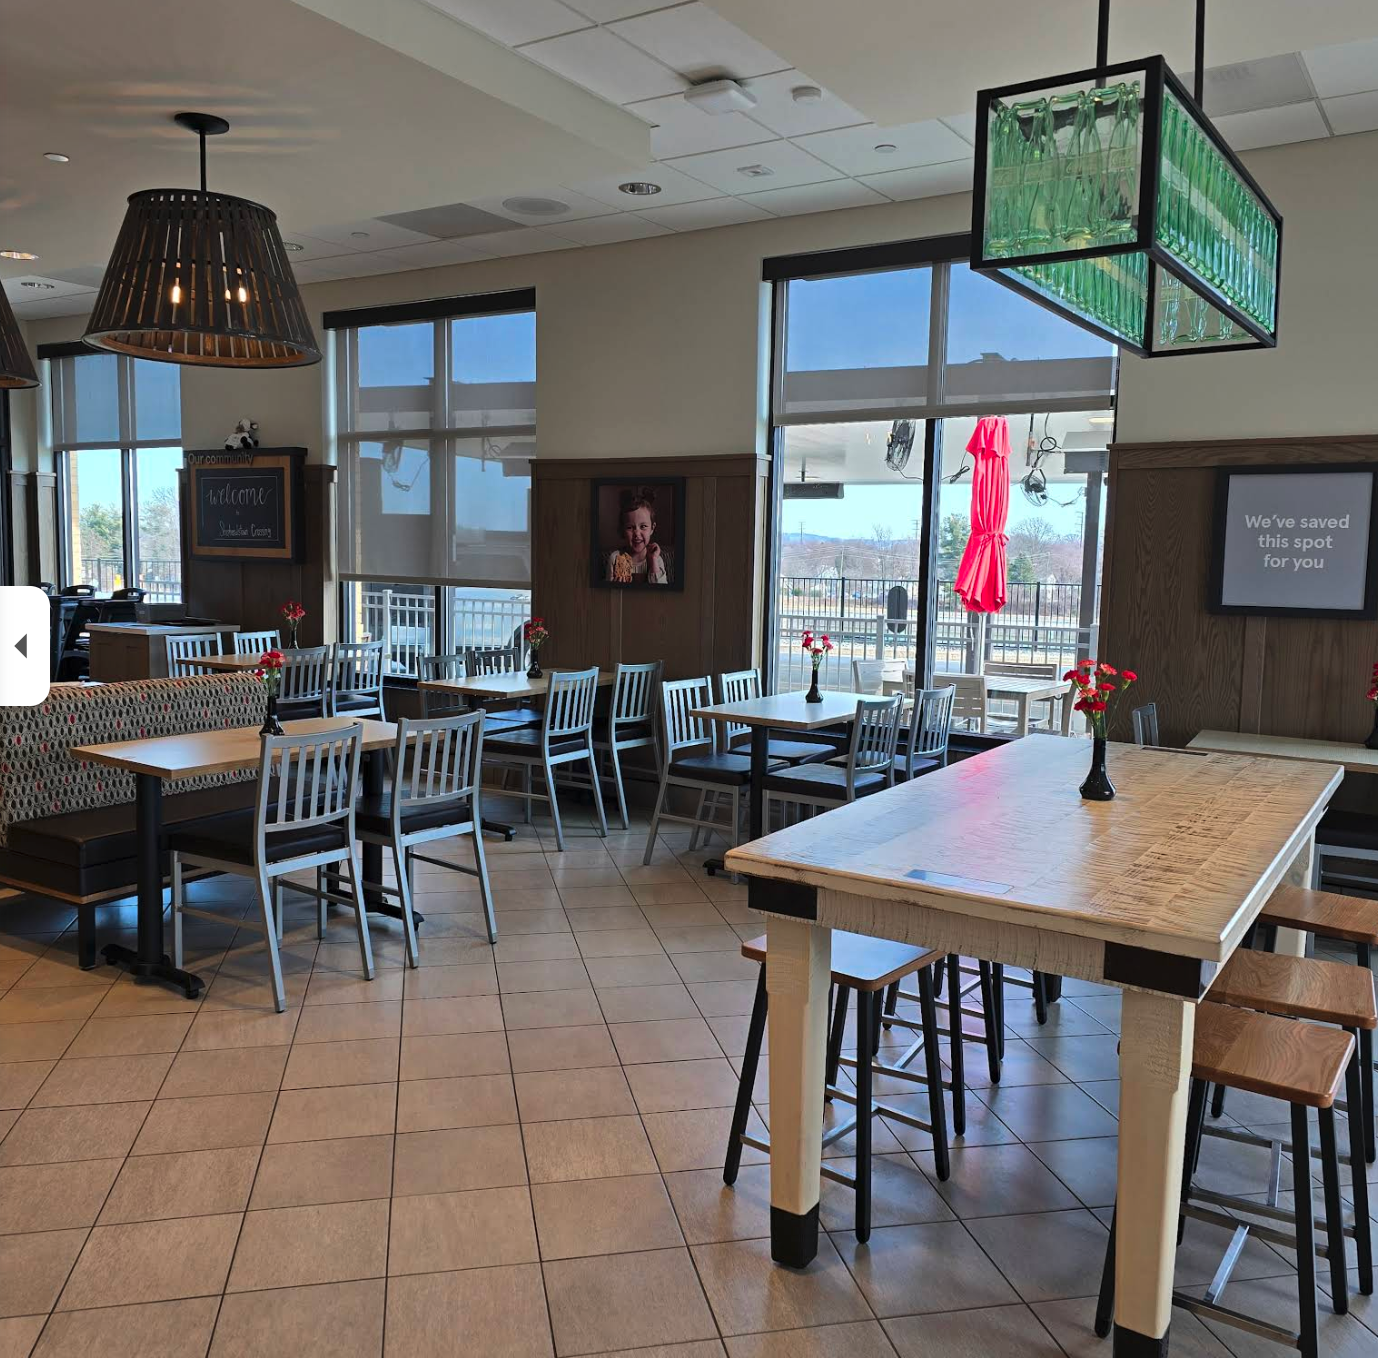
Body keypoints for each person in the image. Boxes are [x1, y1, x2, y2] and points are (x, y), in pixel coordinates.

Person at [605, 486, 671, 585]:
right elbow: (606, 592)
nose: (637, 533)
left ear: (652, 528)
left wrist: (653, 561)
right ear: (622, 530)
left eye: (643, 526)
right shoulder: (615, 558)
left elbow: (661, 592)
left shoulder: (656, 559)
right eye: (630, 527)